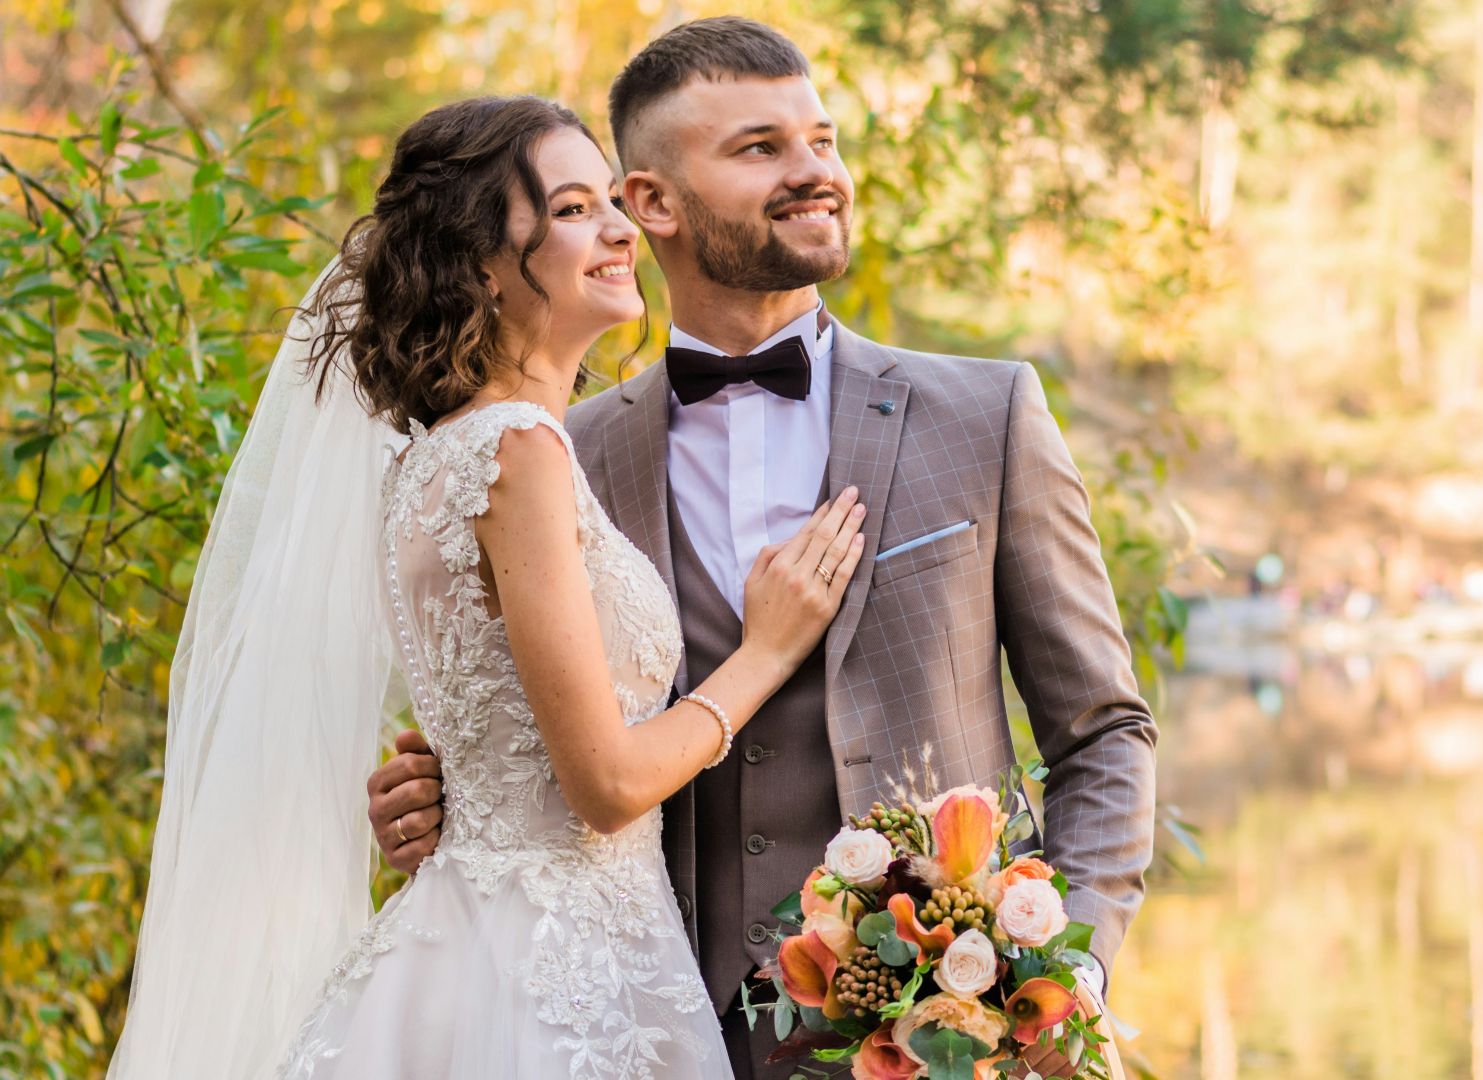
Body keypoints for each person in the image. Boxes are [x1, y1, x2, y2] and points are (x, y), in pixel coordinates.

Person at [367, 18, 1158, 1076]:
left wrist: (1068, 974)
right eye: (760, 149)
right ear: (650, 202)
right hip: (651, 1017)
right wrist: (440, 795)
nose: (814, 173)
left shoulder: (985, 416)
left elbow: (1104, 732)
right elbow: (541, 738)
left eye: (821, 141)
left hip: (941, 1039)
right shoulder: (557, 449)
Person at [109, 95, 862, 1079]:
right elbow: (606, 787)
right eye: (574, 209)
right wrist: (765, 651)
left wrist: (443, 789)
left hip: (480, 943)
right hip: (556, 973)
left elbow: (497, 731)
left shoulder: (438, 458)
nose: (619, 229)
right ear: (482, 261)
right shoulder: (515, 453)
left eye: (612, 204)